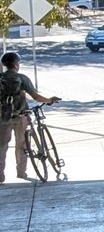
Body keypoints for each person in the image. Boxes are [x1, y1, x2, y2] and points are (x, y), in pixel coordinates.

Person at [0, 51, 59, 183]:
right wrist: (49, 100)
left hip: (3, 117)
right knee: (22, 145)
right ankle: (21, 173)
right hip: (21, 116)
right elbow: (36, 96)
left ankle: (0, 176)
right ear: (16, 64)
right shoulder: (22, 78)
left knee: (2, 146)